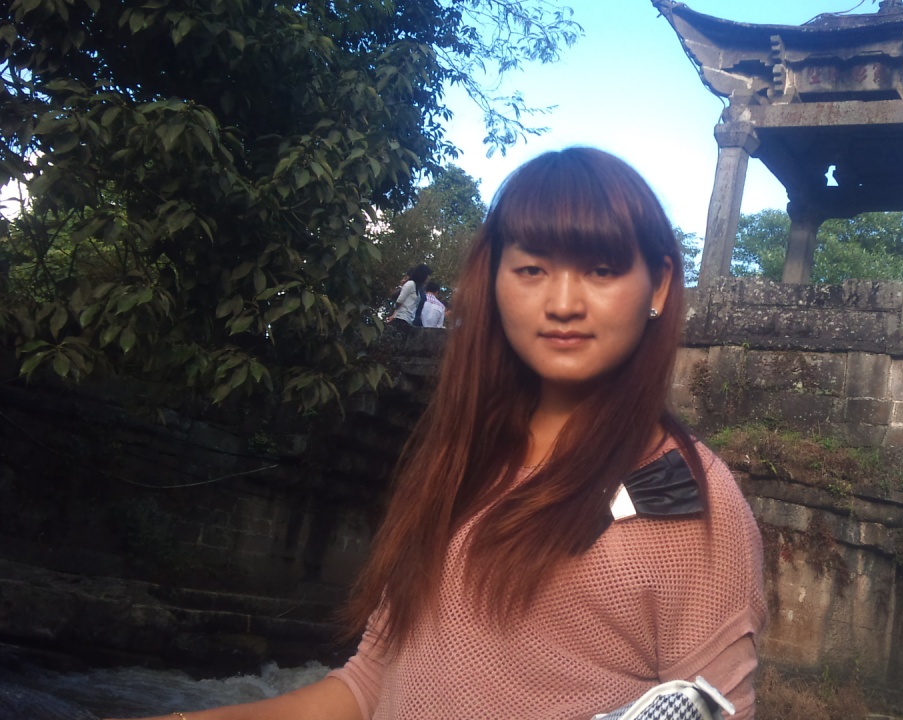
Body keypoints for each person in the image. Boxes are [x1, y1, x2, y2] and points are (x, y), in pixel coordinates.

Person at [114, 148, 766, 720]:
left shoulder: (692, 501)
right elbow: (371, 684)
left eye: (600, 270)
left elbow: (712, 708)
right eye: (532, 270)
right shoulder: (465, 456)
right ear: (494, 281)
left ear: (659, 285)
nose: (564, 303)